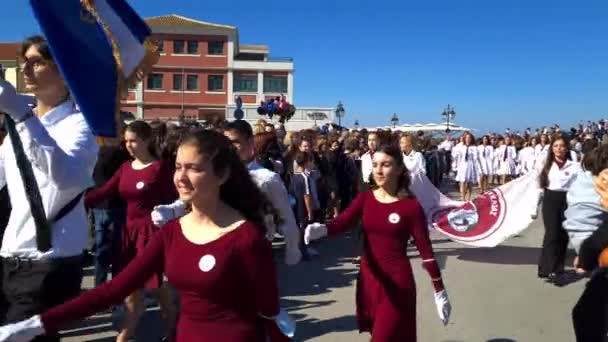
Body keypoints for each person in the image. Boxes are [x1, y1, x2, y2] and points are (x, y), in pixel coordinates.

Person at [0, 129, 294, 342]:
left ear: (222, 175)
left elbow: (269, 310)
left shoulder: (247, 238)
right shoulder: (170, 233)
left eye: (193, 168)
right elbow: (114, 289)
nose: (180, 176)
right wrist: (40, 323)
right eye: (178, 166)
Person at [0, 35, 99, 341]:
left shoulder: (80, 125)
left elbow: (67, 178)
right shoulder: (18, 125)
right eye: (24, 61)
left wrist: (22, 113)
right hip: (10, 256)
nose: (26, 69)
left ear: (64, 70)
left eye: (38, 61)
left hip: (49, 265)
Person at [304, 143, 451, 341]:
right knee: (382, 333)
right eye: (375, 165)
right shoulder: (365, 199)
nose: (379, 170)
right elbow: (343, 222)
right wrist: (322, 229)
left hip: (398, 284)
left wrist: (439, 290)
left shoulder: (410, 206)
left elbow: (427, 252)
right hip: (369, 280)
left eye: (386, 165)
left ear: (399, 168)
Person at [84, 121, 177, 342]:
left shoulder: (160, 169)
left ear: (146, 141)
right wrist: (74, 202)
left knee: (161, 292)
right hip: (128, 236)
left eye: (133, 140)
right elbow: (103, 192)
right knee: (132, 293)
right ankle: (124, 336)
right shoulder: (125, 168)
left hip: (154, 234)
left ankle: (173, 332)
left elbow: (177, 200)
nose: (128, 145)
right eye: (126, 141)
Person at [537, 135, 580, 284]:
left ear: (567, 148)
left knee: (563, 235)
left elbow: (578, 186)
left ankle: (555, 268)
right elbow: (538, 184)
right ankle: (549, 269)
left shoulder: (574, 166)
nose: (559, 149)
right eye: (555, 146)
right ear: (551, 148)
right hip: (550, 199)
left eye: (562, 146)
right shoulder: (545, 164)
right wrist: (534, 206)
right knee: (552, 234)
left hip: (567, 200)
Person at [454, 132, 479, 201]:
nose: (468, 139)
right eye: (467, 138)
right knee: (462, 181)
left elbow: (475, 158)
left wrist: (476, 168)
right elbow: (457, 157)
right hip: (462, 165)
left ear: (471, 139)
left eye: (469, 138)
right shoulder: (461, 147)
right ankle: (462, 198)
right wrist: (456, 166)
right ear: (464, 139)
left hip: (470, 165)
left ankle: (468, 198)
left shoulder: (474, 147)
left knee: (469, 182)